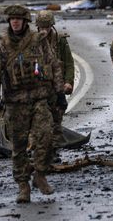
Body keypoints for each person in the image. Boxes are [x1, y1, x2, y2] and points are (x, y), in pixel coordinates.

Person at [0, 5, 71, 203]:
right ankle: (23, 185)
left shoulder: (38, 41)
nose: (15, 22)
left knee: (47, 137)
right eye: (12, 19)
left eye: (19, 19)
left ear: (25, 21)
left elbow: (53, 65)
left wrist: (59, 92)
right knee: (19, 146)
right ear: (9, 22)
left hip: (39, 98)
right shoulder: (1, 45)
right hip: (15, 103)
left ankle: (40, 174)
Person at [35, 10, 75, 160]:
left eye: (47, 27)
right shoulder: (32, 42)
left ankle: (54, 149)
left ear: (52, 26)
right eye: (41, 27)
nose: (44, 30)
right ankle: (44, 151)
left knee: (57, 119)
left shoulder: (60, 41)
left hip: (57, 87)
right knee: (43, 120)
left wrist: (68, 82)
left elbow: (69, 63)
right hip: (39, 87)